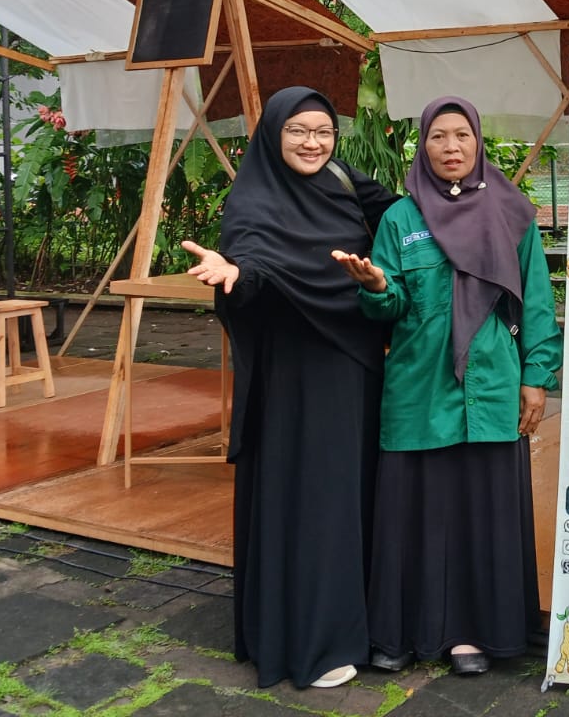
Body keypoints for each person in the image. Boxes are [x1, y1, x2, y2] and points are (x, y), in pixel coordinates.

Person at [334, 96, 562, 676]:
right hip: (418, 386)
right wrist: (376, 287)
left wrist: (536, 377)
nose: (451, 147)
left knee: (482, 512)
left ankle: (473, 634)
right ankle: (403, 631)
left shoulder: (512, 213)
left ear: (478, 142)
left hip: (491, 384)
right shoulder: (400, 219)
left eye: (462, 135)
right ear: (424, 146)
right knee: (415, 512)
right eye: (438, 136)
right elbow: (390, 306)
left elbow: (536, 301)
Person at [181, 86, 398, 690]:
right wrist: (234, 272)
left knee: (352, 496)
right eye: (298, 130)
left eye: (323, 131)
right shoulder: (254, 197)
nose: (312, 142)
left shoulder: (345, 183)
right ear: (273, 134)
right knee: (310, 499)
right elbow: (250, 260)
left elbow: (405, 215)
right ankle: (312, 641)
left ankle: (359, 622)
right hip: (295, 375)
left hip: (353, 366)